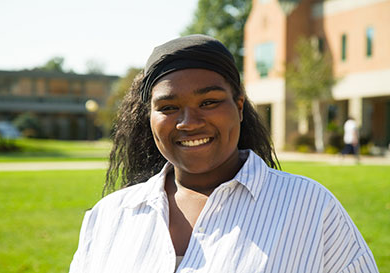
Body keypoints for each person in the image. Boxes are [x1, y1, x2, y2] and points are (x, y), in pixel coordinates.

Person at [69, 35, 378, 272]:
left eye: (209, 102)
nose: (188, 122)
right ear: (148, 118)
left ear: (239, 107)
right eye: (169, 108)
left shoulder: (310, 207)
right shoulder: (110, 215)